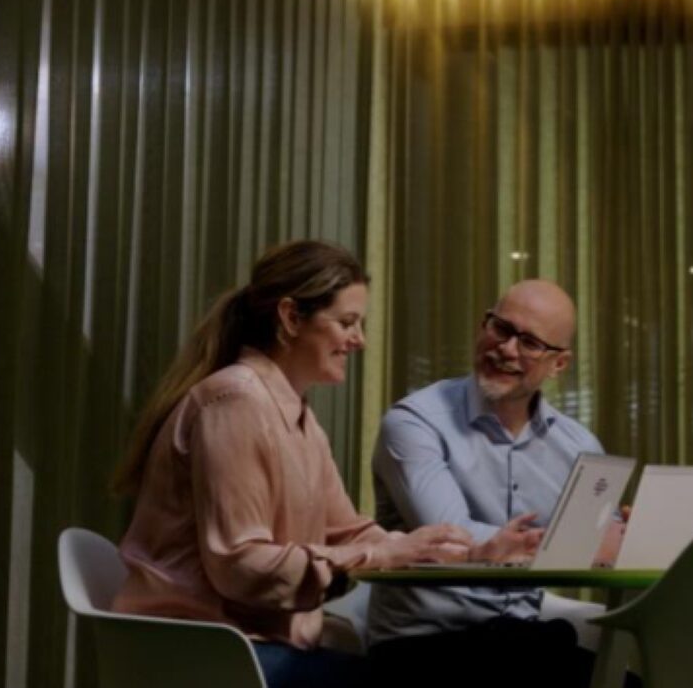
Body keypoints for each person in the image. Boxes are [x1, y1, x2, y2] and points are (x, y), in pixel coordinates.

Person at [110, 240, 472, 688]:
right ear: (290, 317)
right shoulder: (236, 400)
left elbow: (348, 531)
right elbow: (241, 566)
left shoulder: (297, 416)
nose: (359, 340)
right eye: (347, 323)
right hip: (212, 655)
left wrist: (464, 553)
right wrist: (380, 554)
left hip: (255, 646)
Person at [367, 279, 611, 687]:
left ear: (559, 364)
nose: (507, 349)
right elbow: (450, 537)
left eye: (530, 342)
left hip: (525, 645)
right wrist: (559, 542)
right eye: (501, 328)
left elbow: (589, 548)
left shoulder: (582, 449)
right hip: (420, 646)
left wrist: (617, 540)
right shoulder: (414, 422)